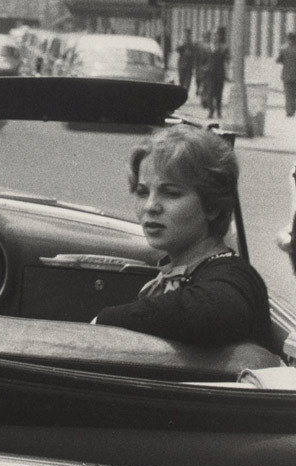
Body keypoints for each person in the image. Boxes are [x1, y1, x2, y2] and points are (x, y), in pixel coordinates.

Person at [94, 124, 272, 349]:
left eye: (171, 193)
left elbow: (214, 310)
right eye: (142, 192)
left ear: (213, 206)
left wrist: (106, 320)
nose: (151, 206)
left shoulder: (233, 275)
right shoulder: (184, 269)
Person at [201, 30, 230, 119]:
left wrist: (227, 74)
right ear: (211, 37)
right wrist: (204, 68)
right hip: (209, 75)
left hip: (219, 74)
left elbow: (227, 61)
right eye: (213, 36)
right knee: (210, 93)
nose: (215, 37)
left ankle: (219, 111)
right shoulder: (206, 48)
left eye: (216, 35)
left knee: (219, 94)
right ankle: (211, 111)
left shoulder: (223, 48)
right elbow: (202, 61)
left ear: (219, 37)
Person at [276, 31, 296, 118]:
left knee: (288, 94)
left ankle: (289, 111)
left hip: (287, 75)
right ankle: (293, 108)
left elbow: (278, 60)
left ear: (288, 38)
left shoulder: (283, 49)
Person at [175, 28, 197, 94]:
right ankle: (181, 90)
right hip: (181, 64)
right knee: (181, 79)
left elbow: (194, 53)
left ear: (190, 35)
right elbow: (177, 50)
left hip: (189, 64)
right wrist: (181, 44)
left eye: (188, 34)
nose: (186, 35)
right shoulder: (181, 42)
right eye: (185, 33)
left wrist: (194, 64)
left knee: (188, 80)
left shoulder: (192, 43)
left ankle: (186, 92)